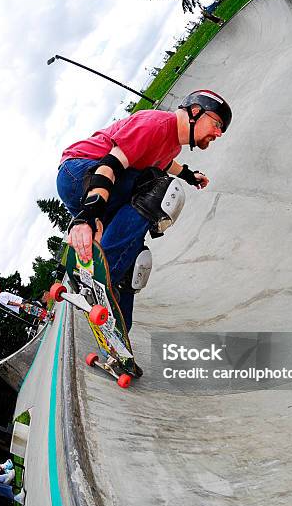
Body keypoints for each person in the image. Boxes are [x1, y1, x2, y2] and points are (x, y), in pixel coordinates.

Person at [57, 90, 232, 333]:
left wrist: (190, 176)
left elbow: (168, 163)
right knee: (160, 189)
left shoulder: (171, 146)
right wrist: (88, 214)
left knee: (135, 259)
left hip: (107, 186)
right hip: (80, 172)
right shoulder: (156, 123)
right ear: (195, 112)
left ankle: (116, 333)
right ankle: (98, 276)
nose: (218, 133)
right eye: (216, 123)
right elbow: (110, 165)